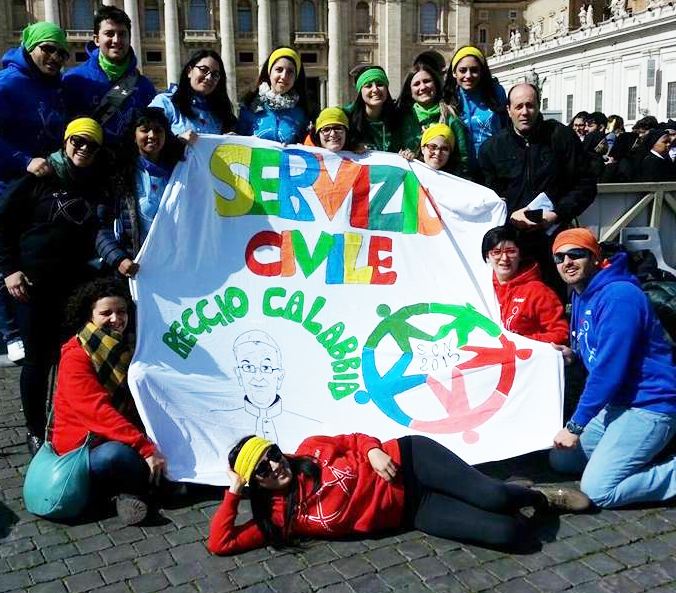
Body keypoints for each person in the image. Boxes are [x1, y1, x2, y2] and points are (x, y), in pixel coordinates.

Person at [208, 433, 590, 555]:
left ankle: (536, 496)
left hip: (409, 460)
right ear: (254, 484)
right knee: (515, 538)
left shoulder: (311, 448)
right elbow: (220, 543)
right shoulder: (279, 519)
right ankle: (507, 495)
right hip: (412, 510)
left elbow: (354, 439)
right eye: (262, 469)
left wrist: (373, 450)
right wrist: (232, 492)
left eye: (272, 454)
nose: (275, 466)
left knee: (493, 498)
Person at [0, 117, 106, 456]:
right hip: (33, 284)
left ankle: (73, 425)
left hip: (75, 285)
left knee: (76, 360)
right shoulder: (39, 177)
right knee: (37, 362)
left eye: (91, 144)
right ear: (66, 142)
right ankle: (35, 430)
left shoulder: (96, 181)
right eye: (77, 141)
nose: (83, 148)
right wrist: (9, 270)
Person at [548, 228, 676, 508]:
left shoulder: (619, 296)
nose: (566, 262)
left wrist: (575, 425)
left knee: (597, 490)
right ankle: (637, 450)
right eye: (559, 257)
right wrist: (573, 353)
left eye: (576, 254)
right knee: (561, 459)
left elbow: (608, 371)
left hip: (649, 405)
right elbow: (594, 350)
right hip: (617, 403)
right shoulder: (581, 293)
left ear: (595, 257)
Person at [0, 21, 69, 361]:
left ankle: (32, 326)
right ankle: (9, 333)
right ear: (30, 47)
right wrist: (23, 159)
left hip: (32, 185)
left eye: (61, 53)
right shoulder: (4, 83)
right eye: (48, 49)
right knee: (5, 261)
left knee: (32, 255)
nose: (55, 57)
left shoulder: (53, 85)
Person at [52, 278, 166, 525]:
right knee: (118, 455)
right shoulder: (75, 356)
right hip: (84, 447)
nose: (116, 319)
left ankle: (127, 493)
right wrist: (145, 448)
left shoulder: (122, 347)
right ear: (90, 315)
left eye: (121, 311)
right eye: (106, 313)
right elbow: (98, 412)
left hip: (114, 434)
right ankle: (133, 492)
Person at [478, 83, 597, 293]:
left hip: (552, 240)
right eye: (518, 107)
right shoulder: (492, 148)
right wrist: (510, 216)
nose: (524, 112)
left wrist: (557, 214)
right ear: (508, 110)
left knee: (552, 303)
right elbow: (486, 198)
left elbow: (586, 185)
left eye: (530, 106)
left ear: (538, 106)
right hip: (512, 244)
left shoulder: (561, 137)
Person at [96, 107, 186, 278]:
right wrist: (118, 259)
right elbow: (101, 226)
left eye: (158, 130)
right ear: (134, 135)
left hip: (177, 268)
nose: (152, 135)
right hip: (135, 270)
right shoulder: (118, 174)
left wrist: (223, 144)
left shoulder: (182, 170)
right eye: (145, 130)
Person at [63, 6, 156, 157]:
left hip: (129, 168)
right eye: (109, 34)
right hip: (88, 166)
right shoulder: (74, 80)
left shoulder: (144, 86)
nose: (116, 40)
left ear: (129, 38)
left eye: (122, 34)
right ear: (96, 39)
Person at [211, 331, 321, 444]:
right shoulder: (215, 423)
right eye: (248, 367)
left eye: (266, 367)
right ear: (239, 375)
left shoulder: (313, 428)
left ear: (279, 376)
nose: (258, 377)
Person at [482, 225, 568, 344]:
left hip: (525, 359)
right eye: (496, 252)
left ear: (520, 254)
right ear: (487, 256)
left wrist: (521, 341)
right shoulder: (482, 288)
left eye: (511, 251)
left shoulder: (538, 291)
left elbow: (561, 334)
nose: (504, 258)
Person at [443, 46, 507, 179]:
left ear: (482, 72)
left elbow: (507, 127)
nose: (468, 76)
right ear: (454, 73)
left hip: (494, 169)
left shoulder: (496, 93)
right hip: (460, 172)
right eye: (462, 70)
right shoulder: (448, 98)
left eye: (474, 70)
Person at [396, 60, 468, 175]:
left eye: (427, 81)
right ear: (410, 91)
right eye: (416, 84)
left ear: (435, 84)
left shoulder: (450, 117)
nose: (423, 87)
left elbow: (463, 159)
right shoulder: (401, 118)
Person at [149, 50, 236, 137]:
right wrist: (177, 142)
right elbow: (147, 138)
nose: (209, 77)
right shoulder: (166, 102)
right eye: (204, 70)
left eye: (215, 74)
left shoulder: (220, 111)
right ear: (189, 71)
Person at [236, 47, 309, 145]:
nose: (284, 76)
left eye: (290, 71)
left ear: (296, 77)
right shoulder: (249, 106)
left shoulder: (301, 113)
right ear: (269, 73)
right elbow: (238, 144)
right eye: (279, 70)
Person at [343, 65, 400, 152]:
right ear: (360, 91)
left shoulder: (400, 116)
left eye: (380, 84)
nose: (375, 90)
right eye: (368, 86)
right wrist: (352, 147)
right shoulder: (346, 117)